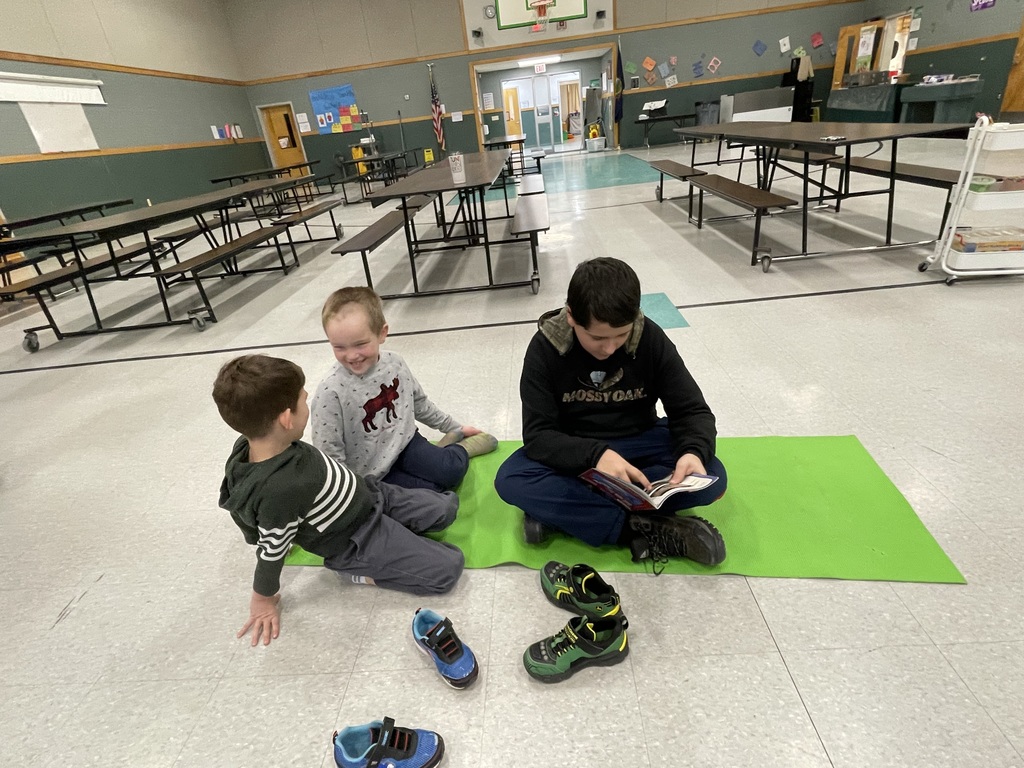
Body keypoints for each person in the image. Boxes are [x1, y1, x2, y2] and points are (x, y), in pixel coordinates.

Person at [213, 354, 464, 647]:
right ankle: (357, 573)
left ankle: (400, 542)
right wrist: (262, 601)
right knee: (449, 568)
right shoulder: (278, 491)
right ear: (286, 418)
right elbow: (271, 549)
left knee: (445, 508)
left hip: (370, 493)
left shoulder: (253, 442)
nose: (308, 404)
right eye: (303, 400)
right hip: (356, 538)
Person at [494, 257, 728, 568]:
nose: (610, 349)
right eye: (598, 338)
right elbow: (539, 437)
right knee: (511, 479)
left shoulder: (650, 338)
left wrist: (692, 452)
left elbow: (691, 410)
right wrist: (595, 455)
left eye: (621, 335)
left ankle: (567, 516)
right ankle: (640, 528)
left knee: (714, 474)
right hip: (574, 452)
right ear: (571, 317)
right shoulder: (545, 348)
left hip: (638, 442)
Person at [311, 287, 497, 493]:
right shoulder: (330, 391)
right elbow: (329, 453)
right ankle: (442, 452)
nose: (352, 355)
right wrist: (352, 493)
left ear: (382, 333)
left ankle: (459, 447)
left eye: (360, 344)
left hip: (406, 444)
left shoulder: (395, 363)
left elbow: (419, 403)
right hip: (371, 473)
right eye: (339, 347)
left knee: (451, 472)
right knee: (432, 493)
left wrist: (455, 428)